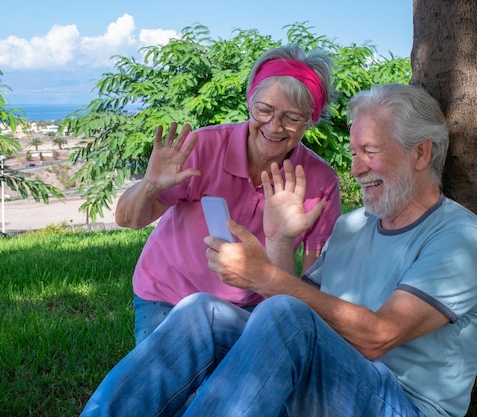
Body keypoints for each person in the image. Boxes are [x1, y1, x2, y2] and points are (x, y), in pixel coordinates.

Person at [81, 83, 477, 417]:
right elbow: (299, 309)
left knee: (286, 312)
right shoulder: (353, 227)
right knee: (202, 310)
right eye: (354, 153)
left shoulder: (459, 236)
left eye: (370, 151)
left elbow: (378, 336)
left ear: (421, 153)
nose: (356, 168)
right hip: (334, 378)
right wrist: (280, 240)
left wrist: (264, 276)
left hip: (402, 404)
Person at [115, 45, 342, 344]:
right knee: (165, 389)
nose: (275, 126)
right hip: (168, 295)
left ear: (310, 120)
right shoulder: (204, 147)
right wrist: (150, 185)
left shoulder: (319, 181)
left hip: (253, 306)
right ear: (250, 102)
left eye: (292, 117)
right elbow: (127, 219)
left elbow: (312, 291)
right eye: (265, 109)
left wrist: (282, 244)